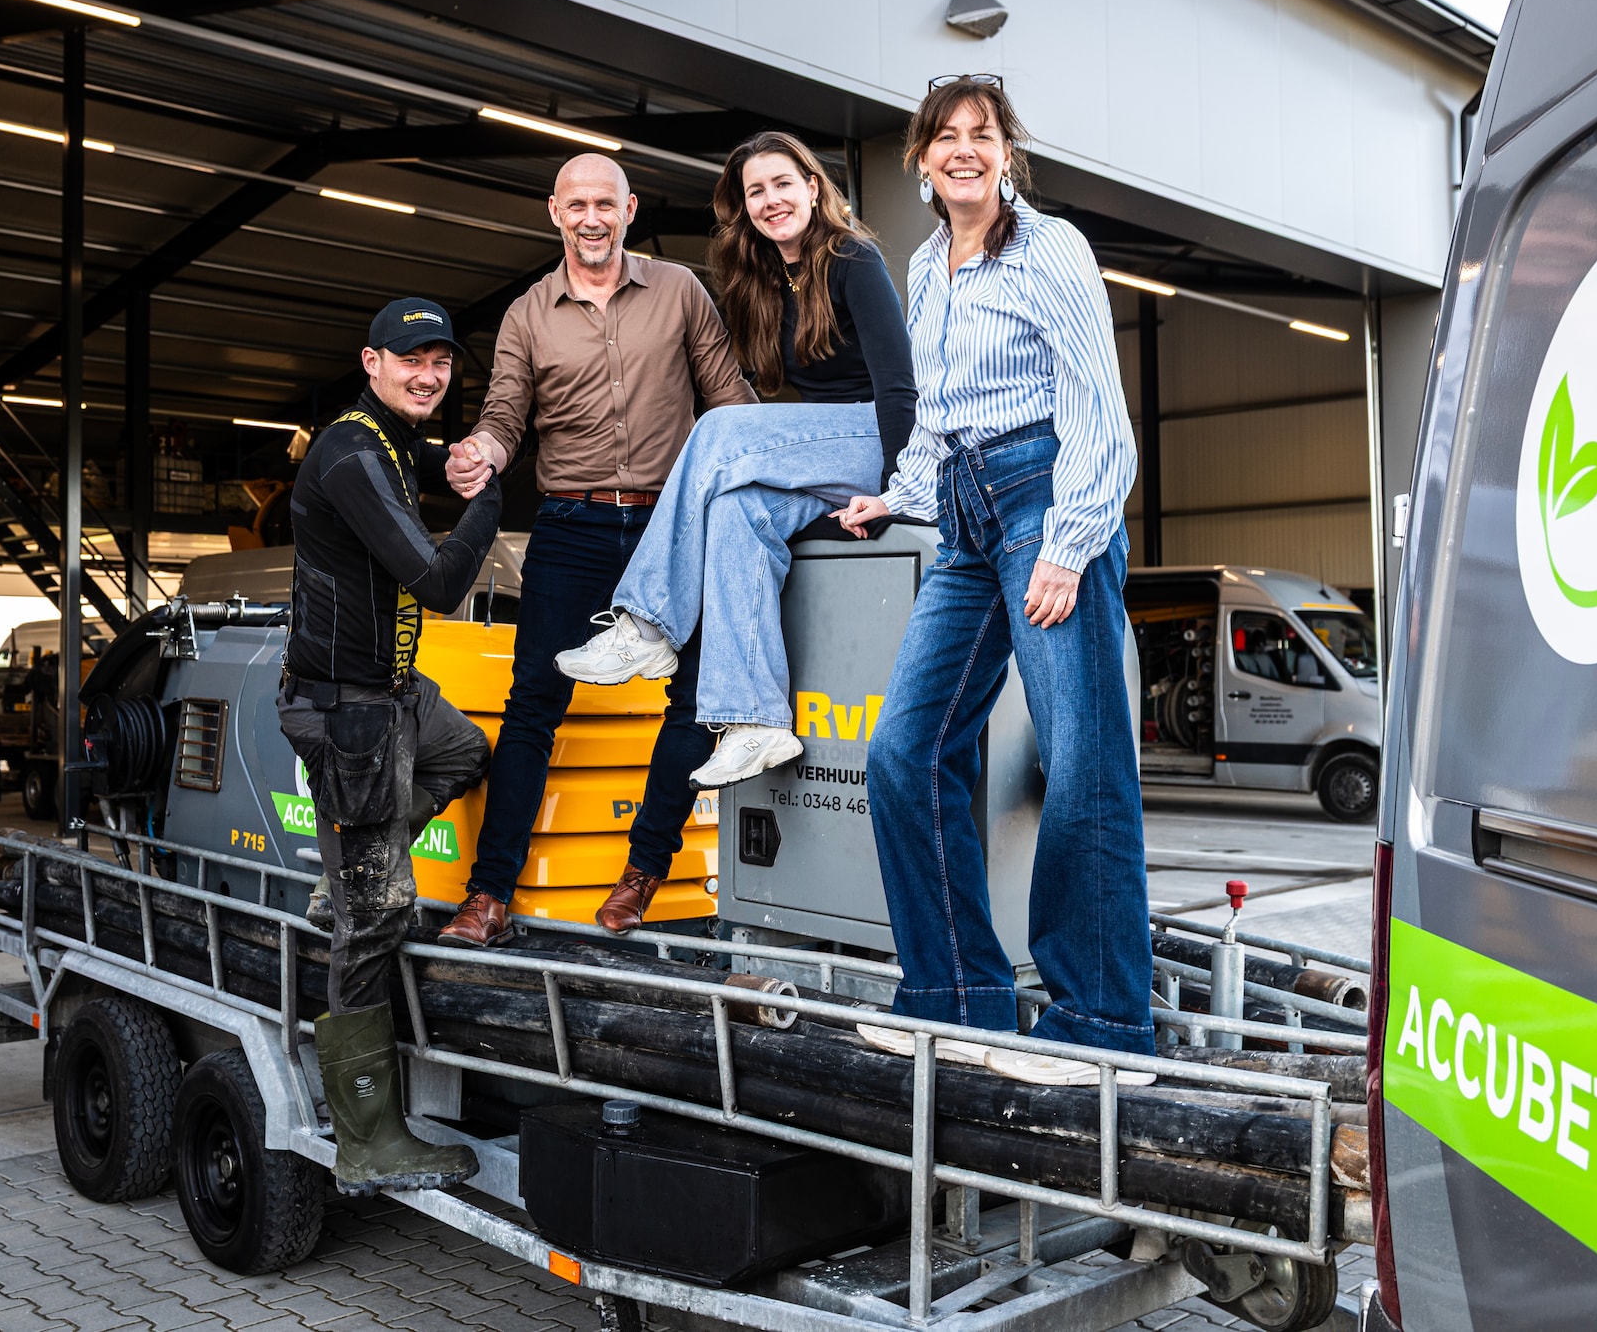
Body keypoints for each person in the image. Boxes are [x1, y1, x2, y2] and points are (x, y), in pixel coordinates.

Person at [834, 76, 1152, 1057]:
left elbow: (1098, 406)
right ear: (919, 160)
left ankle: (1100, 1019)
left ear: (1005, 154)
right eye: (945, 137)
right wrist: (900, 494)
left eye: (981, 135)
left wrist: (1070, 538)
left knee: (1082, 758)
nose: (962, 150)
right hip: (968, 518)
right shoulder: (925, 267)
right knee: (904, 752)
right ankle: (954, 993)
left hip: (1042, 498)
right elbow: (935, 418)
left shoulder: (1048, 250)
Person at [436, 153, 758, 947]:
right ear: (554, 211)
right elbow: (506, 414)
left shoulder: (680, 291)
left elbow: (730, 404)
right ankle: (488, 894)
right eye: (576, 203)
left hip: (674, 527)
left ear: (629, 208)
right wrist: (480, 448)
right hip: (572, 529)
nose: (591, 217)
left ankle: (644, 868)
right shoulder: (526, 315)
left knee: (695, 702)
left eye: (604, 203)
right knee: (533, 708)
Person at [553, 133, 917, 786]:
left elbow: (899, 387)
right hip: (825, 451)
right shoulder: (767, 280)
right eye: (756, 191)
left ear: (812, 187)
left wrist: (898, 493)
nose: (771, 200)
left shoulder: (852, 259)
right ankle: (755, 721)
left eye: (783, 183)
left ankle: (648, 619)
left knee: (721, 432)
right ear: (744, 208)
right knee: (737, 509)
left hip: (879, 437)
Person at [277, 297, 501, 1194]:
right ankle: (369, 1136)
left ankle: (350, 866)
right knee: (377, 925)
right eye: (412, 358)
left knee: (464, 753)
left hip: (398, 695)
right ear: (371, 362)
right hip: (350, 714)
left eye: (442, 360)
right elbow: (441, 581)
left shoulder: (392, 447)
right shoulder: (351, 451)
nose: (429, 373)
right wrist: (486, 500)